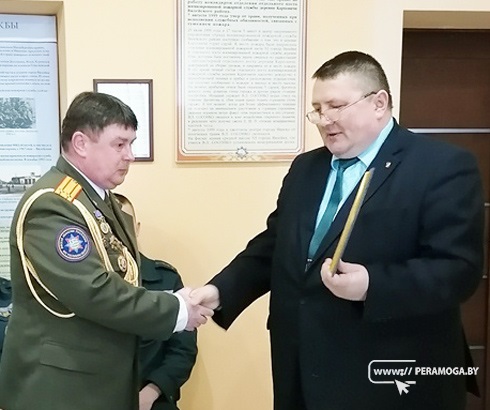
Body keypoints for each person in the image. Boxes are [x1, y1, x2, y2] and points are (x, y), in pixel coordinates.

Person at [191, 51, 485, 410]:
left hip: (387, 376)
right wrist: (220, 290)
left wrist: (372, 285)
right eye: (317, 109)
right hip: (300, 367)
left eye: (336, 106)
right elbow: (276, 245)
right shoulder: (306, 168)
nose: (324, 120)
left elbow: (458, 270)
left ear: (379, 103)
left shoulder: (441, 166)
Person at [0, 91, 212, 410]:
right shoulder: (53, 205)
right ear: (81, 143)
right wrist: (177, 310)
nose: (130, 156)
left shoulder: (97, 200)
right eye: (119, 144)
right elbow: (94, 290)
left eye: (131, 144)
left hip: (94, 383)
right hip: (62, 390)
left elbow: (123, 276)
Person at [114, 193, 197, 410]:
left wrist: (151, 393)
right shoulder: (89, 284)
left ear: (137, 228)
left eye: (125, 223)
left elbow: (183, 350)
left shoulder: (165, 279)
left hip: (154, 400)